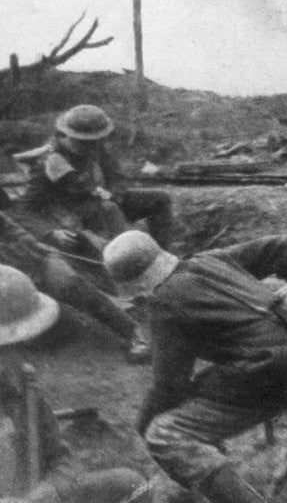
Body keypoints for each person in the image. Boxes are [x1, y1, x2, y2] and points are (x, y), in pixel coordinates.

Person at [102, 231, 287, 503]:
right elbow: (280, 246)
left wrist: (143, 425)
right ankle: (212, 465)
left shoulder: (164, 305)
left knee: (165, 435)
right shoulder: (212, 260)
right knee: (200, 391)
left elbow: (169, 386)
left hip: (273, 375)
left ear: (138, 282)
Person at [0, 264, 149, 502]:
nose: (11, 361)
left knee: (130, 483)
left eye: (15, 346)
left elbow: (59, 457)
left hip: (34, 496)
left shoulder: (22, 387)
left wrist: (48, 492)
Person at [18, 105, 179, 255]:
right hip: (73, 216)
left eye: (96, 140)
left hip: (104, 202)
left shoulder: (94, 146)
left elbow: (115, 177)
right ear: (68, 135)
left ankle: (162, 256)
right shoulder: (47, 163)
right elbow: (25, 210)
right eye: (83, 142)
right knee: (111, 219)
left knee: (159, 199)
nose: (91, 147)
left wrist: (114, 193)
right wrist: (50, 232)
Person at [0, 212, 148, 363]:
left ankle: (131, 332)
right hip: (6, 278)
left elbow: (11, 227)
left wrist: (29, 242)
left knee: (72, 284)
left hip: (28, 261)